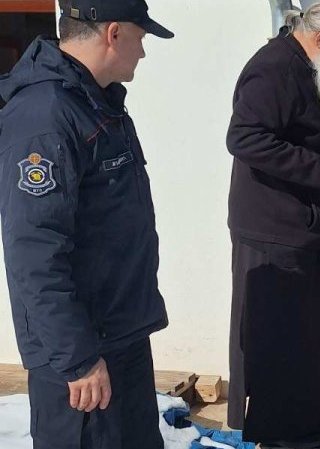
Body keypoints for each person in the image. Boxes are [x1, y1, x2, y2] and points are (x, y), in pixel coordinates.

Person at [0, 1, 173, 448]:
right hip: (83, 359)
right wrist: (78, 359)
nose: (144, 52)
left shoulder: (98, 103)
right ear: (113, 33)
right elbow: (34, 253)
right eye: (142, 37)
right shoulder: (45, 115)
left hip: (120, 338)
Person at [224, 2, 320, 448]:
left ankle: (308, 415)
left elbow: (302, 130)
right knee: (278, 334)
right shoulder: (272, 68)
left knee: (306, 329)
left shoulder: (307, 68)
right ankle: (280, 432)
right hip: (270, 224)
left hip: (300, 224)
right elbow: (245, 137)